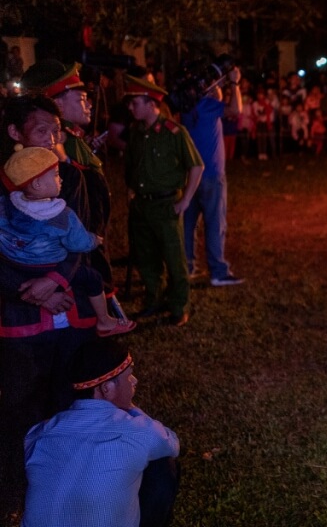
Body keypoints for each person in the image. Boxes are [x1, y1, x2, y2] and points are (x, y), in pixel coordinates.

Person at [0, 95, 100, 516]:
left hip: (67, 305)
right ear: (15, 134)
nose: (53, 139)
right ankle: (12, 496)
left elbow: (79, 241)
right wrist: (30, 289)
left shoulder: (68, 178)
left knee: (67, 398)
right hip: (17, 316)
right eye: (43, 131)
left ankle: (66, 491)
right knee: (20, 403)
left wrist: (57, 280)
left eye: (56, 131)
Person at [22, 338, 180, 527]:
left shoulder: (41, 432)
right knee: (163, 464)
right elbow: (172, 443)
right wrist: (130, 407)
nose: (135, 381)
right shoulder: (135, 430)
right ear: (106, 388)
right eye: (129, 376)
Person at [1, 147, 135, 336]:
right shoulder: (61, 215)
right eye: (56, 175)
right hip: (50, 266)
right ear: (38, 184)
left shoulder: (6, 206)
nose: (61, 179)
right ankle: (105, 320)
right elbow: (78, 244)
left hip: (20, 268)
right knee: (93, 277)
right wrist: (94, 240)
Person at [20, 59, 115, 289]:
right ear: (58, 106)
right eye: (81, 99)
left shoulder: (72, 137)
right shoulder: (59, 141)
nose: (90, 104)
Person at [123, 76, 203, 326]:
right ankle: (153, 299)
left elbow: (196, 166)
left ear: (151, 103)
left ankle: (179, 305)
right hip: (142, 205)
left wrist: (185, 201)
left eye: (135, 102)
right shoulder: (136, 132)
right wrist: (131, 189)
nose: (130, 108)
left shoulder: (174, 132)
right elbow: (131, 166)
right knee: (146, 258)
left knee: (174, 257)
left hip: (166, 204)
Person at [180, 65, 244, 287]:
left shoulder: (188, 108)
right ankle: (218, 271)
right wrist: (234, 83)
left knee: (188, 224)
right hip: (212, 175)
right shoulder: (208, 105)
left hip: (190, 174)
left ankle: (187, 266)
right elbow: (235, 110)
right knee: (215, 223)